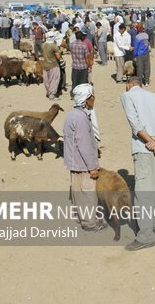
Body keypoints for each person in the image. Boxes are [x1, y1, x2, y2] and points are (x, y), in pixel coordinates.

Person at [120, 76, 155, 251]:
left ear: (129, 85)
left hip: (144, 151)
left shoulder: (127, 96)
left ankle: (145, 236)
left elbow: (135, 125)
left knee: (143, 194)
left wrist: (151, 143)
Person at [63, 83, 107, 232]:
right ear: (86, 99)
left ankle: (81, 219)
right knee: (88, 194)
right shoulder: (81, 118)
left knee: (78, 193)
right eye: (92, 96)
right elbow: (84, 144)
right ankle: (90, 223)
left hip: (74, 161)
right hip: (83, 163)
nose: (94, 98)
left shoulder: (72, 115)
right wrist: (92, 166)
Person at [69, 31, 91, 97]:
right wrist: (89, 66)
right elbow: (87, 58)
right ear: (82, 37)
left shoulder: (72, 45)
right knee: (83, 83)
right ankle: (82, 95)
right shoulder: (84, 46)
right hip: (83, 67)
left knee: (75, 82)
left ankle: (74, 95)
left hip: (75, 66)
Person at [42, 32, 61, 100]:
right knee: (54, 80)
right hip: (53, 64)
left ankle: (48, 92)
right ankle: (52, 95)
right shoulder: (54, 46)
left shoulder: (43, 45)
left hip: (45, 64)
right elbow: (58, 57)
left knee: (47, 80)